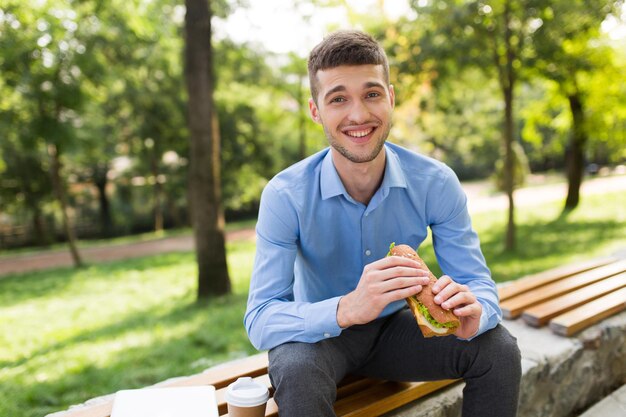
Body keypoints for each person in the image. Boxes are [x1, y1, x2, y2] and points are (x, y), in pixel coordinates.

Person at [244, 30, 521, 417]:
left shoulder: (436, 182)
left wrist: (477, 311)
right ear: (315, 111)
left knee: (500, 350)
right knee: (296, 369)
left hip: (400, 333)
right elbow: (260, 318)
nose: (358, 115)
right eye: (338, 98)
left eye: (371, 94)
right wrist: (346, 309)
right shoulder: (285, 194)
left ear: (390, 98)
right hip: (321, 336)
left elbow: (479, 284)